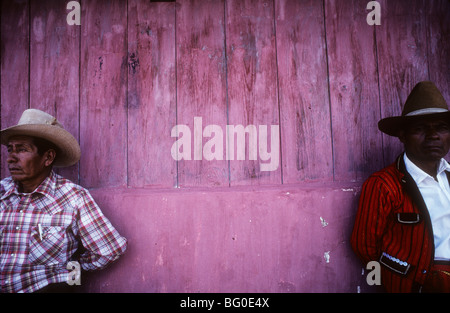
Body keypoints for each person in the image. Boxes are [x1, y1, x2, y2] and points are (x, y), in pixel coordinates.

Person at [0, 109, 127, 293]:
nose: (11, 158)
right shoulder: (2, 191)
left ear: (48, 157)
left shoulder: (72, 197)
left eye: (22, 150)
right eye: (10, 149)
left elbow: (109, 249)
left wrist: (66, 277)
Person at [351, 81, 450, 293]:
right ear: (403, 136)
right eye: (420, 129)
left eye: (441, 128)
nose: (433, 135)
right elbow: (364, 246)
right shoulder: (383, 185)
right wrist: (391, 283)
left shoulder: (448, 177)